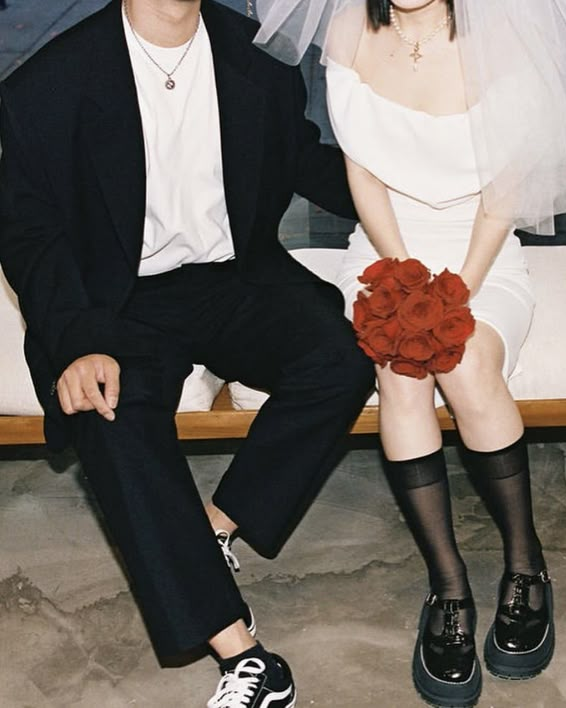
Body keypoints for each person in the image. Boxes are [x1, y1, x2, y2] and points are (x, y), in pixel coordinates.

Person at [253, 0, 566, 705]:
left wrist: (452, 294)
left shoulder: (506, 39)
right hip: (385, 242)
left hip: (481, 253)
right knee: (399, 375)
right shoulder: (345, 27)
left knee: (465, 364)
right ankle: (448, 586)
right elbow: (362, 174)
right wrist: (398, 278)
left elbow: (501, 199)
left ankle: (525, 563)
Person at [0, 0, 375, 706]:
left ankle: (211, 530)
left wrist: (423, 199)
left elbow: (299, 158)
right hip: (114, 299)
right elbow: (29, 233)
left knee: (342, 358)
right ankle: (246, 657)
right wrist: (78, 342)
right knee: (110, 416)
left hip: (235, 279)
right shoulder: (47, 85)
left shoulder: (257, 53)